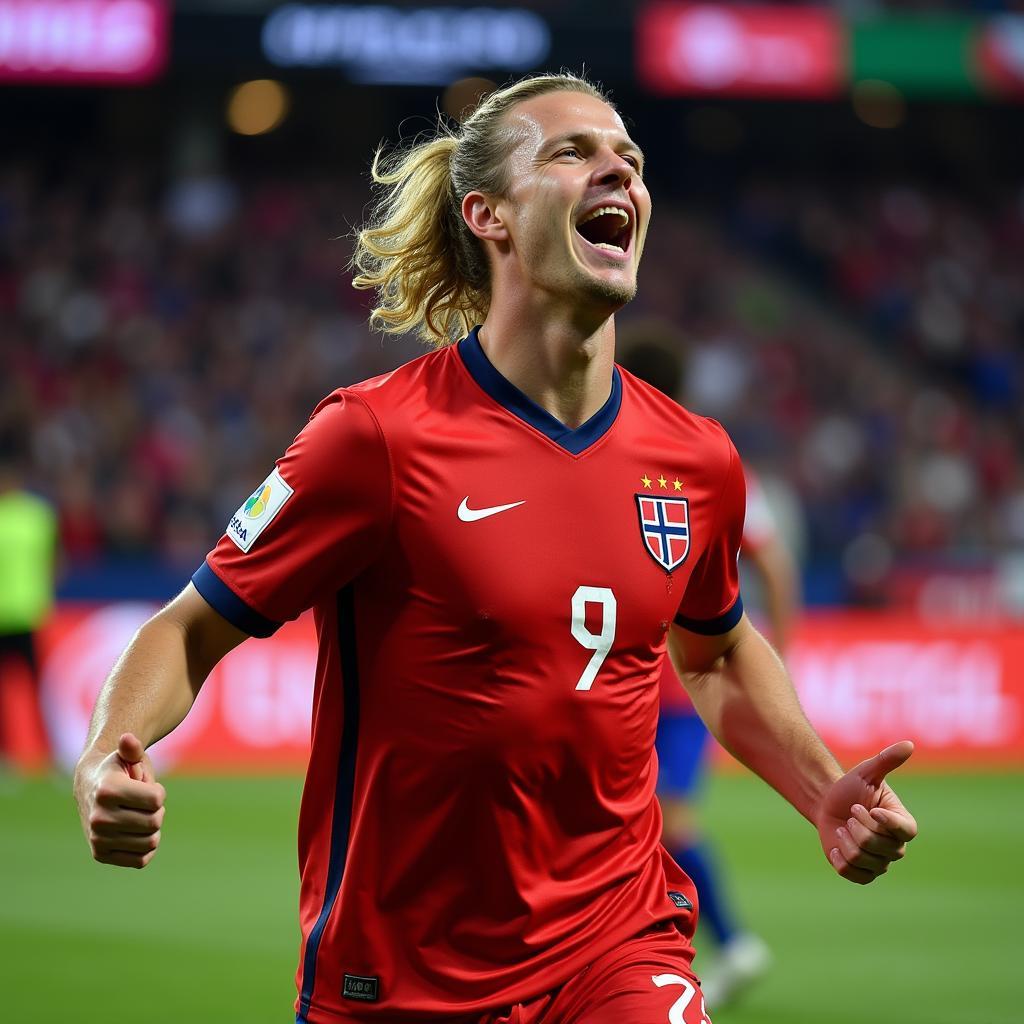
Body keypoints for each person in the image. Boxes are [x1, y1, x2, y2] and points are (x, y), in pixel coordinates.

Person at [74, 73, 918, 1024]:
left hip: (620, 944)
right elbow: (192, 628)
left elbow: (714, 650)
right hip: (400, 976)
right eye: (573, 152)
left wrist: (821, 792)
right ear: (490, 215)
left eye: (630, 160)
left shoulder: (697, 459)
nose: (620, 171)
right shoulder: (375, 438)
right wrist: (105, 754)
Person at [619, 331, 802, 1007]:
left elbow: (772, 563)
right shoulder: (709, 456)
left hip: (669, 688)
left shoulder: (665, 455)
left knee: (668, 824)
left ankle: (725, 942)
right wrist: (783, 648)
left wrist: (773, 658)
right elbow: (775, 562)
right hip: (655, 683)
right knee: (639, 826)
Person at [0, 444, 58, 772]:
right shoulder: (39, 515)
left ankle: (48, 754)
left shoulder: (38, 516)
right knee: (27, 691)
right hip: (14, 615)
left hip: (25, 615)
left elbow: (52, 561)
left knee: (38, 690)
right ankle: (13, 757)